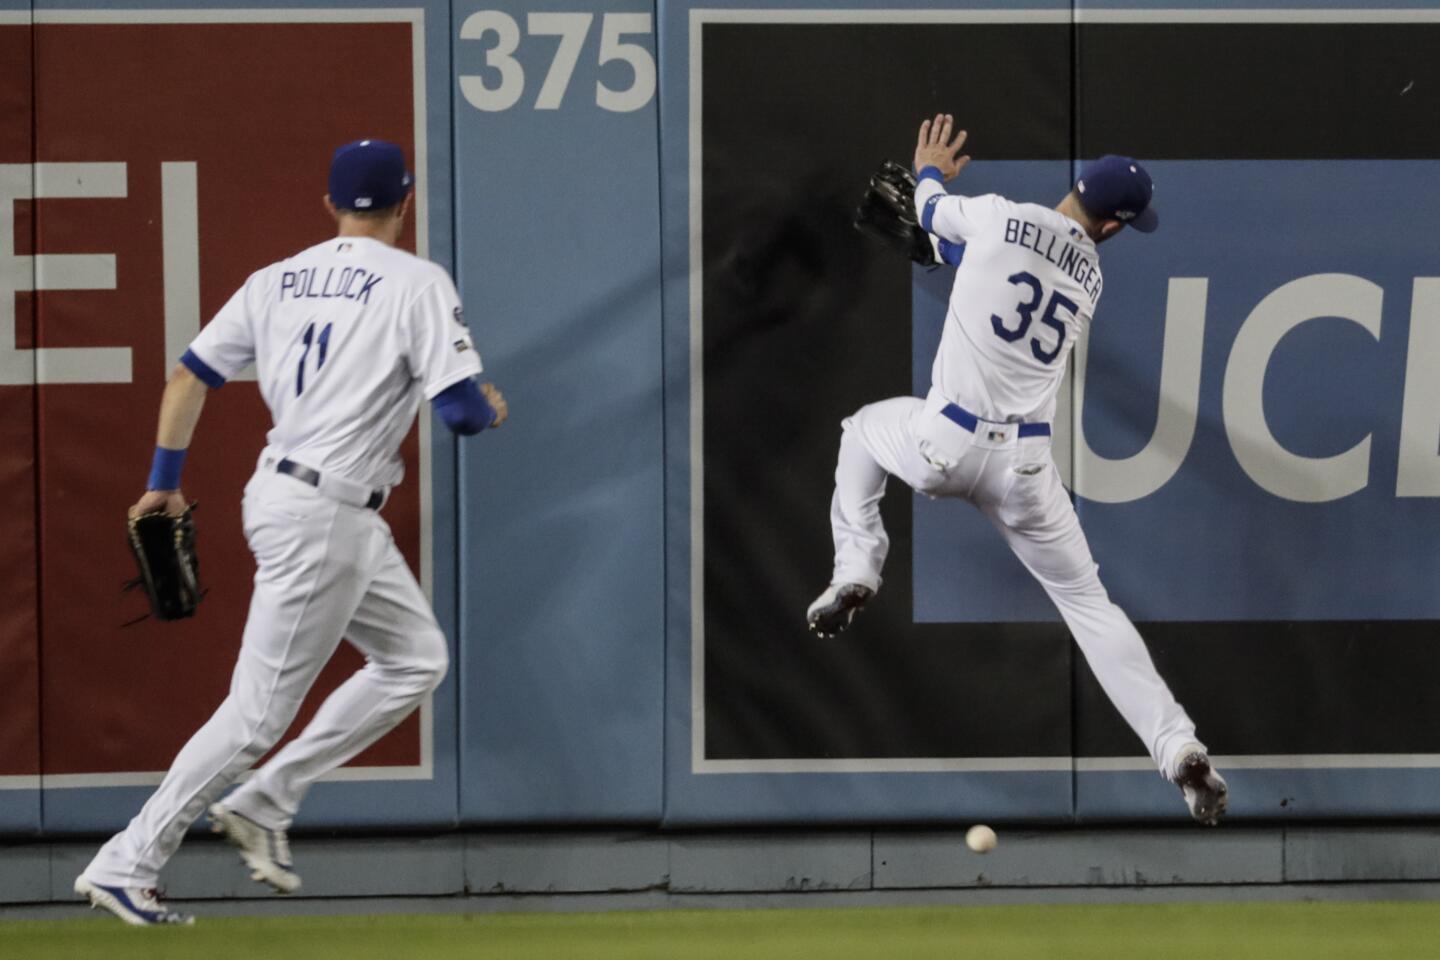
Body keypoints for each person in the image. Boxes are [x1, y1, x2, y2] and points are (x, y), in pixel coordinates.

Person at [75, 139, 508, 925]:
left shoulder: (274, 279)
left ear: (331, 207)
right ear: (405, 204)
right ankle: (127, 860)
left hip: (290, 498)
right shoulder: (417, 281)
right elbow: (463, 416)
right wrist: (487, 399)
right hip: (324, 516)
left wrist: (164, 484)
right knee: (255, 715)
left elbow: (189, 376)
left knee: (416, 660)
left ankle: (269, 800)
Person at [806, 115, 1227, 825]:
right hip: (1025, 472)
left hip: (943, 444)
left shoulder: (1000, 217)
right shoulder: (1089, 275)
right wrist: (942, 238)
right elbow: (981, 252)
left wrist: (931, 170)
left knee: (862, 432)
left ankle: (856, 568)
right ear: (1115, 226)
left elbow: (931, 209)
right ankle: (1177, 745)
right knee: (1092, 610)